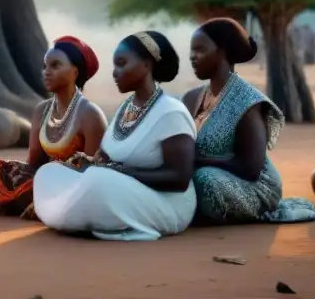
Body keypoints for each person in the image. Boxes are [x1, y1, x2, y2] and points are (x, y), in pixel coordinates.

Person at [33, 30, 197, 240]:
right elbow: (105, 160)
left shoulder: (171, 111)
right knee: (48, 174)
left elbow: (179, 179)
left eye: (121, 63)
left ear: (147, 64)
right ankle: (85, 216)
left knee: (98, 180)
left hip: (166, 202)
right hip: (119, 188)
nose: (114, 72)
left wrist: (121, 172)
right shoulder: (125, 109)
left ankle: (75, 216)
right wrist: (89, 162)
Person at [185, 17, 315, 225]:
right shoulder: (191, 98)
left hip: (251, 185)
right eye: (191, 51)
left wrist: (195, 162)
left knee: (204, 180)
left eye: (200, 50)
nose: (193, 57)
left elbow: (251, 167)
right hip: (199, 173)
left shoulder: (248, 102)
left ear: (223, 52)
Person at [0, 35, 107, 217]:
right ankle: (36, 202)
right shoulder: (42, 110)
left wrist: (49, 187)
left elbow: (92, 172)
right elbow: (34, 162)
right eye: (45, 66)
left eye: (55, 66)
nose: (46, 72)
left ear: (75, 72)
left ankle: (47, 205)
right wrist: (23, 180)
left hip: (78, 183)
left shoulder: (90, 115)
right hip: (46, 180)